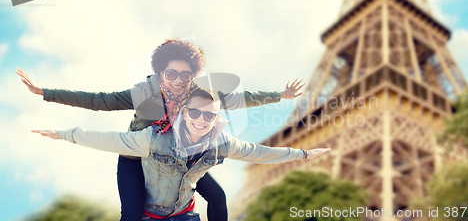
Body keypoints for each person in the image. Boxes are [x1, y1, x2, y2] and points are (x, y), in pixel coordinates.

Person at [16, 39, 305, 221]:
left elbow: (242, 99)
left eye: (186, 74)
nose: (179, 80)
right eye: (171, 73)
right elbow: (99, 101)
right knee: (131, 214)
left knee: (217, 198)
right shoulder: (145, 92)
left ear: (194, 73)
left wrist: (280, 95)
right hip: (140, 152)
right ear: (160, 72)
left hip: (178, 156)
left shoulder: (201, 94)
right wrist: (44, 91)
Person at [32, 88, 330, 221]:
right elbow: (108, 136)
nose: (202, 120)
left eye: (209, 116)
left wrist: (302, 153)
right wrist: (64, 133)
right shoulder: (153, 136)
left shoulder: (220, 142)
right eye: (195, 113)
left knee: (218, 196)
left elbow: (258, 152)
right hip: (145, 181)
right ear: (183, 113)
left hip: (183, 214)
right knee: (131, 214)